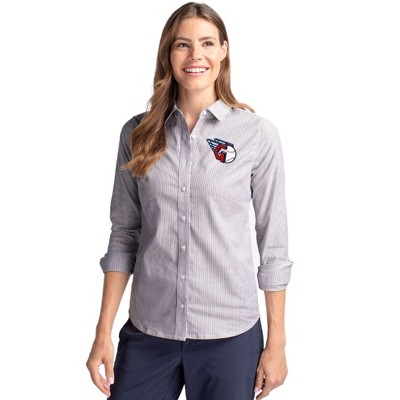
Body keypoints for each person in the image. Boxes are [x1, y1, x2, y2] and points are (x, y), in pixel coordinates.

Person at [86, 2, 293, 400]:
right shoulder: (137, 134)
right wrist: (102, 332)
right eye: (183, 44)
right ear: (168, 53)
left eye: (207, 43)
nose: (196, 55)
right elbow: (124, 235)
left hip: (230, 336)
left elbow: (274, 244)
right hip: (149, 331)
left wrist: (277, 344)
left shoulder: (256, 135)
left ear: (224, 50)